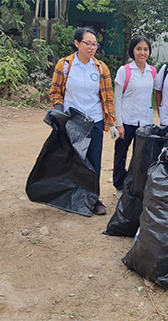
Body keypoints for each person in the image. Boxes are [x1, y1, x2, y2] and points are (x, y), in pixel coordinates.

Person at [49, 27, 118, 215]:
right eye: (88, 43)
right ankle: (73, 197)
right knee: (74, 160)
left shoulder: (101, 68)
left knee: (93, 162)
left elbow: (107, 97)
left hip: (94, 120)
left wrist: (111, 123)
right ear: (77, 43)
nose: (92, 47)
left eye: (95, 44)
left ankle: (93, 199)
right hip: (73, 122)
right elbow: (55, 92)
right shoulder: (64, 65)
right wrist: (60, 113)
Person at [112, 35, 156, 199]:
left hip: (145, 121)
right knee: (121, 155)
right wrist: (119, 123)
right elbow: (118, 98)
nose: (142, 52)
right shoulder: (125, 70)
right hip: (127, 120)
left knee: (140, 156)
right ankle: (119, 185)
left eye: (145, 49)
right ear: (133, 51)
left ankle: (136, 185)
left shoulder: (152, 71)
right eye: (139, 49)